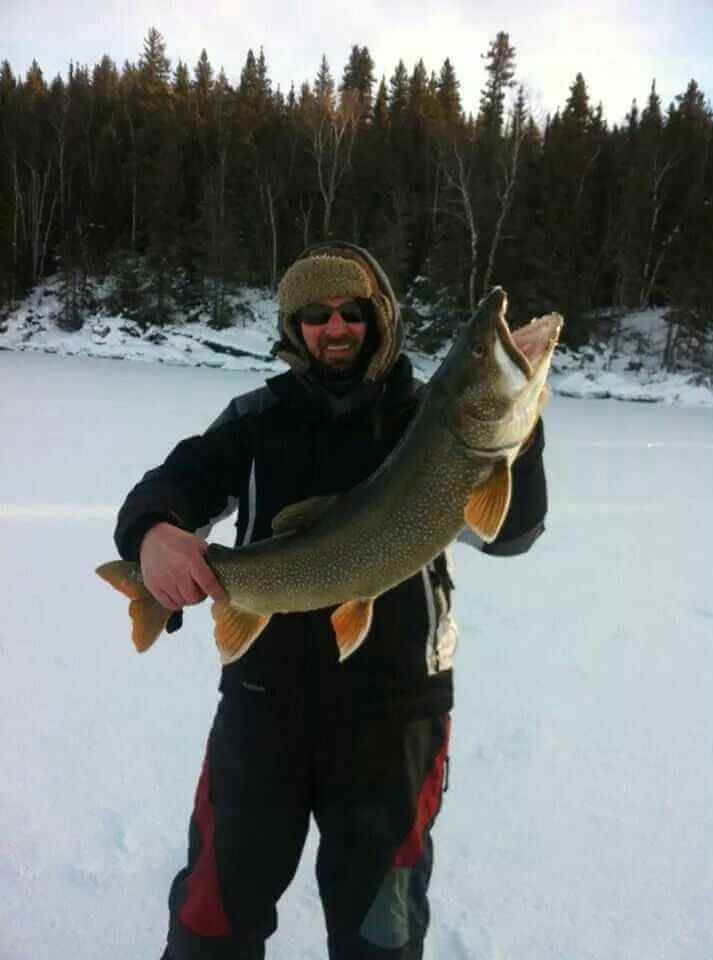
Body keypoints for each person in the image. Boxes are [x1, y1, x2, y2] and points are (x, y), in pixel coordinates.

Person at [114, 242, 549, 960]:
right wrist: (154, 533)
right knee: (210, 926)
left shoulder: (429, 420)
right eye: (316, 315)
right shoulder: (256, 416)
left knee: (382, 938)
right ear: (294, 327)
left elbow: (511, 534)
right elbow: (175, 481)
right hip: (264, 713)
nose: (336, 327)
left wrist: (520, 443)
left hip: (395, 720)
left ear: (379, 320)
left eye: (352, 311)